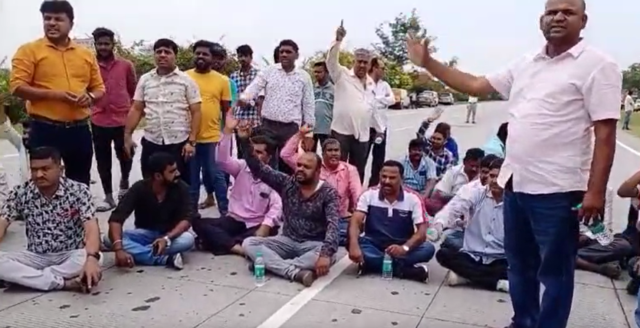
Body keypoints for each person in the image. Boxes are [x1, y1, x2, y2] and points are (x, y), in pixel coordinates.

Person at [406, 0, 620, 326]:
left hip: (560, 191)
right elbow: (476, 85)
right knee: (519, 265)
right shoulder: (527, 63)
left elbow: (606, 135)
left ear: (584, 20)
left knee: (556, 272)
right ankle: (524, 321)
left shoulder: (598, 65)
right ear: (541, 19)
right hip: (516, 185)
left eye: (568, 12)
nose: (558, 17)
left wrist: (595, 193)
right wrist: (429, 62)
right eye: (552, 11)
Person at [235, 118, 341, 288]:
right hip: (287, 240)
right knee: (250, 243)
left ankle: (270, 265)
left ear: (317, 171)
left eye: (306, 167)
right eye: (299, 165)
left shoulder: (329, 193)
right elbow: (259, 169)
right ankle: (292, 271)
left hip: (313, 245)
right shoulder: (287, 183)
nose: (300, 169)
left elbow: (333, 226)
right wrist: (244, 141)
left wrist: (325, 254)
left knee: (328, 255)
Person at [10, 0, 105, 185]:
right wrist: (55, 95)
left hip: (79, 129)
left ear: (71, 23)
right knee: (44, 181)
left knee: (79, 182)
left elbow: (99, 88)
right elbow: (17, 87)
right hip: (45, 128)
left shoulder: (85, 54)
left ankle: (78, 214)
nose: (52, 23)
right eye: (47, 18)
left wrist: (90, 97)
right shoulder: (29, 51)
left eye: (58, 19)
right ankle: (44, 214)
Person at [0, 147, 102, 292]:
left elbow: (91, 228)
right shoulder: (20, 193)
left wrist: (91, 259)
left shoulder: (79, 191)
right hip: (34, 256)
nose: (39, 174)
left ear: (60, 169)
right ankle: (62, 283)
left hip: (70, 254)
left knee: (92, 257)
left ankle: (29, 279)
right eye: (34, 170)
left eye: (45, 168)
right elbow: (2, 223)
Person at [192, 120, 282, 256]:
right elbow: (222, 160)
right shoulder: (241, 167)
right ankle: (237, 248)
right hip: (234, 221)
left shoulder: (273, 177)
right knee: (198, 223)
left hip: (255, 224)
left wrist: (266, 225)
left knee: (269, 230)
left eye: (259, 152)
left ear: (268, 157)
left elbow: (276, 207)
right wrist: (228, 130)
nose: (255, 156)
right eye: (253, 152)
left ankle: (217, 243)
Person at [124, 38, 202, 183]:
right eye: (158, 52)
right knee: (151, 184)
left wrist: (191, 142)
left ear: (175, 56)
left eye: (167, 52)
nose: (162, 55)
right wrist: (127, 135)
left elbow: (196, 111)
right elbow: (136, 108)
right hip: (152, 142)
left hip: (178, 143)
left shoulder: (187, 81)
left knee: (179, 186)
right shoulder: (146, 80)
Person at [102, 152, 195, 270]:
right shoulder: (139, 188)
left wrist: (166, 239)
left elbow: (186, 219)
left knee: (188, 240)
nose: (178, 174)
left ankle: (138, 252)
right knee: (108, 239)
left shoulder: (181, 187)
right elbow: (116, 219)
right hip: (144, 234)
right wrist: (119, 249)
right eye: (172, 171)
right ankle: (163, 259)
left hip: (170, 235)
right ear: (158, 176)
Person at [347, 160, 434, 282]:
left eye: (392, 178)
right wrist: (354, 245)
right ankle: (404, 271)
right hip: (373, 244)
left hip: (402, 245)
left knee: (428, 249)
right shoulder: (369, 194)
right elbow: (355, 221)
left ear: (402, 179)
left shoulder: (413, 198)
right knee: (351, 240)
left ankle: (373, 265)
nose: (386, 181)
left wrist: (404, 248)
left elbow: (422, 232)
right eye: (384, 177)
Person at [238, 40, 315, 175]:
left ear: (297, 55)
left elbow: (308, 104)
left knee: (288, 166)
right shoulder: (269, 71)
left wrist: (308, 133)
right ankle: (265, 195)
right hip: (268, 126)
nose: (284, 54)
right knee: (266, 164)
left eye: (288, 52)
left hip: (290, 129)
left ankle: (285, 195)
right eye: (281, 52)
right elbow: (254, 86)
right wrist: (245, 98)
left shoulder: (304, 77)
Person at [433, 158, 510, 293]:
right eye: (492, 176)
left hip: (500, 258)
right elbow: (453, 209)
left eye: (499, 177)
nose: (494, 180)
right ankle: (496, 283)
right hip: (472, 256)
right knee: (443, 254)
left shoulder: (515, 200)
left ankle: (467, 277)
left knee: (526, 266)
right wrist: (438, 225)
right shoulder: (476, 192)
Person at [281, 127, 362, 246]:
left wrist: (357, 219)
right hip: (313, 219)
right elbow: (285, 155)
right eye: (330, 150)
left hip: (338, 219)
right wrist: (300, 134)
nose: (334, 153)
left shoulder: (350, 170)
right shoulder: (310, 166)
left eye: (336, 150)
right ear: (322, 153)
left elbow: (357, 196)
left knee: (353, 233)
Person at [327, 23, 383, 181]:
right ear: (354, 62)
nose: (362, 65)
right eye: (359, 61)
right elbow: (330, 62)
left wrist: (379, 129)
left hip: (363, 136)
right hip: (341, 132)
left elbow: (372, 109)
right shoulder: (342, 75)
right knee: (338, 170)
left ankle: (355, 203)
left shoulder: (371, 83)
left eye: (366, 62)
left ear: (369, 65)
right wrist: (338, 41)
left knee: (357, 173)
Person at [90, 27, 137, 211]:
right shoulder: (90, 65)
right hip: (98, 119)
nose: (103, 47)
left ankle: (124, 183)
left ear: (112, 44)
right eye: (99, 44)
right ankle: (108, 197)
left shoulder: (126, 65)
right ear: (95, 45)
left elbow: (133, 91)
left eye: (106, 44)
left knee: (126, 155)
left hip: (122, 119)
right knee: (103, 160)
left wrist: (133, 113)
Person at [185, 40, 231, 216]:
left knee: (216, 175)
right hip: (189, 138)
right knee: (192, 178)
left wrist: (226, 134)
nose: (201, 57)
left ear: (212, 58)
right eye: (198, 53)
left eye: (205, 54)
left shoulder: (222, 80)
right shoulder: (184, 77)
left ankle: (225, 213)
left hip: (212, 137)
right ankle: (191, 217)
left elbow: (226, 109)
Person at [435, 154, 500, 251]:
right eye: (486, 173)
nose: (491, 179)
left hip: (499, 252)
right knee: (446, 245)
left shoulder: (514, 198)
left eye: (497, 176)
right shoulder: (474, 190)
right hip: (472, 242)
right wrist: (438, 224)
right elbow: (453, 209)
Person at [576, 188, 629, 279]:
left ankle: (572, 258)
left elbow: (606, 225)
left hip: (591, 238)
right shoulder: (568, 186)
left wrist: (587, 236)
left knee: (623, 245)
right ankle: (597, 267)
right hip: (567, 237)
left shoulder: (606, 191)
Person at [425, 148, 485, 215]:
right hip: (450, 209)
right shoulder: (453, 172)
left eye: (477, 167)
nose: (474, 169)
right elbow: (439, 194)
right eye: (472, 166)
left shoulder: (484, 176)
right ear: (464, 162)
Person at [367, 57, 396, 187]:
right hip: (367, 127)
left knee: (378, 160)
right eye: (382, 68)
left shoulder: (384, 85)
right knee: (361, 159)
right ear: (374, 68)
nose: (384, 70)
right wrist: (379, 101)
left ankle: (373, 186)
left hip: (381, 129)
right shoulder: (365, 83)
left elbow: (392, 100)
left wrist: (378, 100)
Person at [230, 44, 260, 159]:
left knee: (256, 152)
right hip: (239, 120)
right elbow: (233, 97)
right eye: (240, 56)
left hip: (255, 120)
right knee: (241, 152)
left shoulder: (258, 75)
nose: (242, 59)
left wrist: (250, 103)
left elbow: (261, 96)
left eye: (245, 56)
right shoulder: (233, 76)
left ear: (251, 57)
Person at [311, 61, 335, 152]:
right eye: (315, 72)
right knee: (310, 155)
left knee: (327, 153)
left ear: (327, 73)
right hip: (312, 129)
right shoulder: (312, 88)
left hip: (327, 129)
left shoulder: (334, 90)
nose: (316, 74)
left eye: (319, 72)